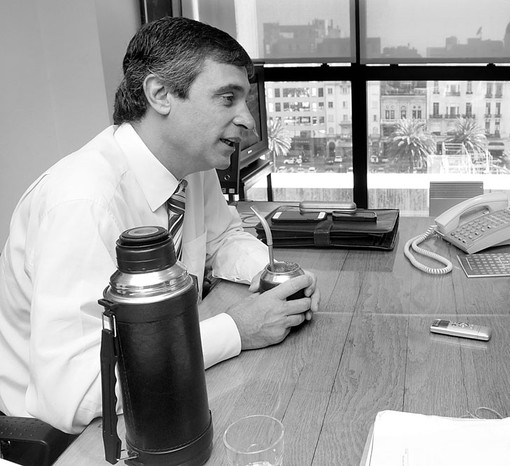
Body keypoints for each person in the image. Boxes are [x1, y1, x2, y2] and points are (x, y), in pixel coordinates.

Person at [0, 17, 319, 434]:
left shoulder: (191, 166)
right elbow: (75, 393)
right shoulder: (82, 203)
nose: (249, 123)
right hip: (80, 436)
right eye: (228, 98)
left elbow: (224, 236)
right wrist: (237, 329)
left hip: (165, 377)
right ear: (160, 94)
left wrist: (272, 274)